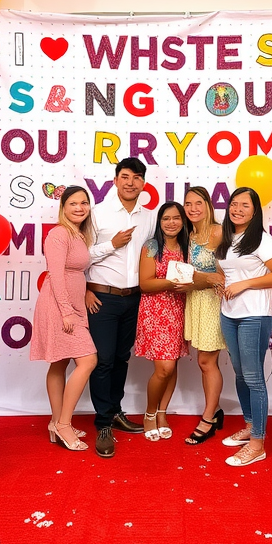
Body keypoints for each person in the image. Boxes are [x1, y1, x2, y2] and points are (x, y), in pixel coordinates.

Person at [86, 157, 157, 458]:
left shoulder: (150, 217)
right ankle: (102, 423)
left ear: (143, 183)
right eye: (124, 176)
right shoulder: (97, 214)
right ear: (115, 180)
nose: (130, 183)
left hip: (134, 298)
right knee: (102, 361)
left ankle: (115, 411)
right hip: (101, 297)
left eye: (136, 178)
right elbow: (79, 256)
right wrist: (111, 244)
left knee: (121, 358)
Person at [216, 187, 272, 467]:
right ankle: (249, 425)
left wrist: (244, 284)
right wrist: (221, 283)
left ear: (255, 211)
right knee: (239, 374)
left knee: (254, 377)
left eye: (244, 205)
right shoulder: (228, 238)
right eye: (234, 204)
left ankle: (258, 443)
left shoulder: (261, 239)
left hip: (254, 315)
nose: (237, 209)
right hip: (229, 313)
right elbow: (228, 269)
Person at [30, 186, 98, 452]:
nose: (79, 208)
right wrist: (67, 310)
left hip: (73, 304)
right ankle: (64, 424)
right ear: (63, 207)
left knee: (59, 364)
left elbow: (76, 273)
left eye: (84, 203)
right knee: (88, 360)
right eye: (73, 203)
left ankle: (54, 422)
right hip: (58, 306)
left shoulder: (79, 234)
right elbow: (56, 275)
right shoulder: (58, 234)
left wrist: (85, 293)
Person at [135, 203, 192, 440]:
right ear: (159, 222)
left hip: (178, 310)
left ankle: (162, 412)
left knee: (173, 364)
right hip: (155, 312)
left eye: (176, 218)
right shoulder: (151, 246)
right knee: (164, 368)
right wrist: (172, 281)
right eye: (166, 218)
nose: (171, 223)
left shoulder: (188, 246)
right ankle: (149, 413)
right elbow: (145, 284)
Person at [183, 187, 226, 445]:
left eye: (198, 203)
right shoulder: (190, 234)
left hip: (212, 302)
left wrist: (197, 280)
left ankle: (208, 418)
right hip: (194, 300)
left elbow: (223, 276)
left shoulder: (218, 232)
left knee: (207, 362)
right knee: (204, 361)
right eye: (188, 204)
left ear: (208, 205)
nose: (193, 208)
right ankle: (216, 409)